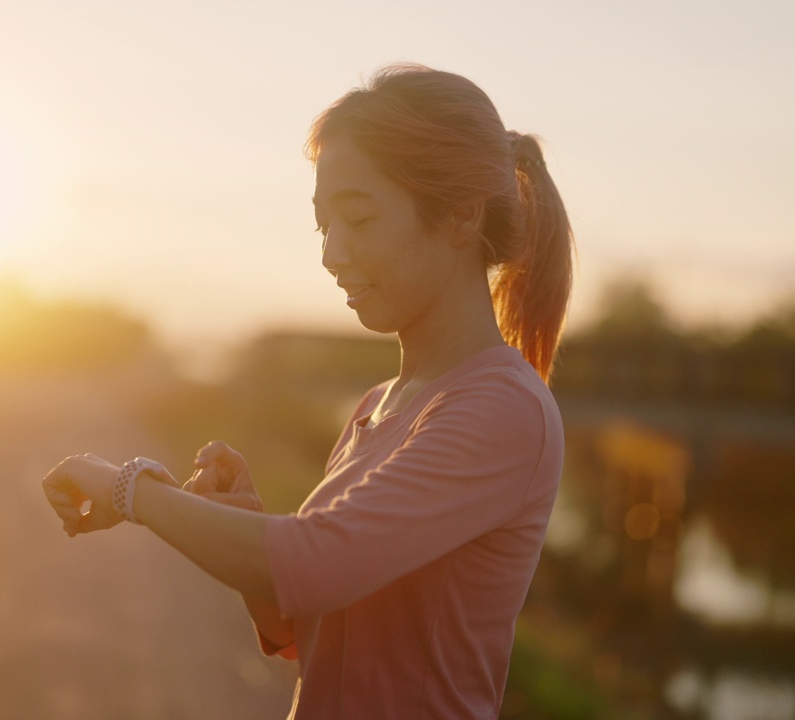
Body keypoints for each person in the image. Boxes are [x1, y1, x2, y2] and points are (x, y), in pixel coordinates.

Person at [42, 63, 574, 719]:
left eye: (358, 218)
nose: (331, 252)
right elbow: (304, 616)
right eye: (324, 224)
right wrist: (248, 516)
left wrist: (130, 489)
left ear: (462, 213)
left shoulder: (503, 407)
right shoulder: (380, 404)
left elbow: (313, 564)